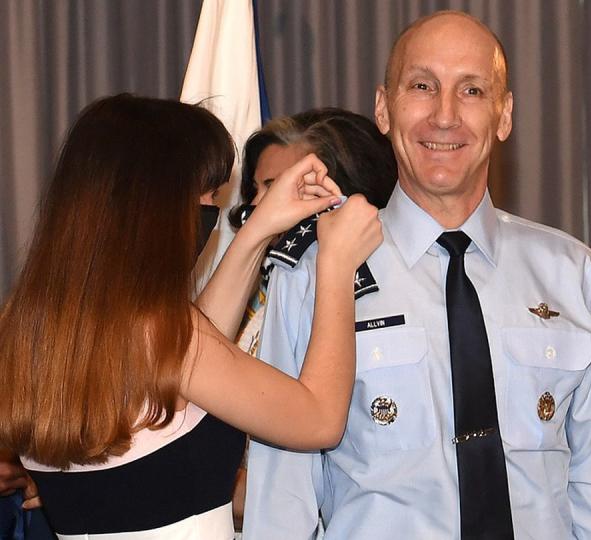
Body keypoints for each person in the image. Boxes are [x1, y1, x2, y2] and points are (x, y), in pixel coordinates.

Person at [243, 10, 591, 539]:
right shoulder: (316, 275)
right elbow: (282, 501)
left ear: (504, 115)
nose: (444, 116)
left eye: (472, 91)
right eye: (422, 86)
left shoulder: (577, 280)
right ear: (383, 108)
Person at [0, 93, 382, 538]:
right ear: (157, 206)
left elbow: (192, 364)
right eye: (205, 194)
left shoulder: (29, 326)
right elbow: (319, 419)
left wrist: (259, 229)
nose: (212, 210)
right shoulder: (163, 334)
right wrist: (337, 266)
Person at [225, 108, 397, 530]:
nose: (266, 202)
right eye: (261, 187)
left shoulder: (371, 295)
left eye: (292, 184)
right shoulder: (251, 297)